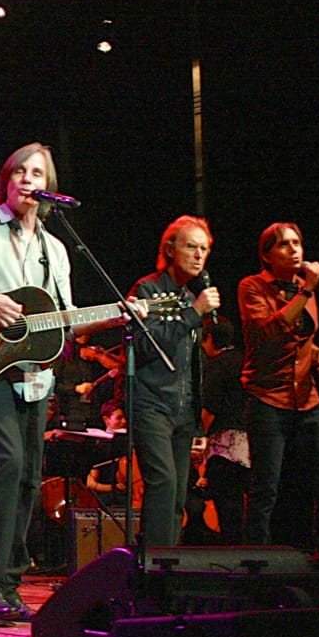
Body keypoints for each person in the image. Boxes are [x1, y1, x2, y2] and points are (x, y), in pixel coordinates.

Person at [0, 142, 140, 621]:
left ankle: (8, 585)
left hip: (35, 376)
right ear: (7, 180)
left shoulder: (55, 250)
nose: (28, 180)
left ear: (50, 187)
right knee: (8, 465)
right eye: (20, 171)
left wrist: (118, 316)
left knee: (29, 479)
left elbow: (66, 322)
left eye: (37, 173)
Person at [237, 222, 319, 565]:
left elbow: (301, 341)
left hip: (308, 398)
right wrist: (306, 292)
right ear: (267, 254)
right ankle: (256, 561)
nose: (294, 250)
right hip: (269, 399)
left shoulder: (303, 288)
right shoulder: (252, 286)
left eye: (298, 242)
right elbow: (270, 332)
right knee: (266, 488)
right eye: (284, 245)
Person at [126, 215, 219, 548]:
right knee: (163, 483)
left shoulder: (187, 295)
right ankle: (152, 564)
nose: (198, 255)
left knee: (179, 492)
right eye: (190, 246)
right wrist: (193, 314)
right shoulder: (149, 289)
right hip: (151, 402)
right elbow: (144, 345)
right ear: (170, 249)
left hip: (183, 409)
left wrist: (198, 413)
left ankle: (168, 563)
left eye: (204, 249)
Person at [199, 319, 249, 546]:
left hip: (226, 445)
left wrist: (200, 435)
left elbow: (210, 405)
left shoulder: (217, 365)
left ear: (210, 339)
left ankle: (231, 549)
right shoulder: (245, 359)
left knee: (227, 501)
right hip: (253, 440)